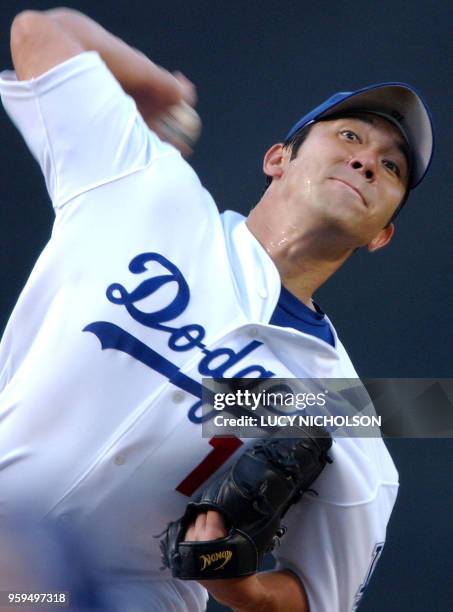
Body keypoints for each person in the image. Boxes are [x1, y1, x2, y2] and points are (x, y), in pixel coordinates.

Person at [0, 8, 433, 612]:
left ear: (380, 233)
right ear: (278, 158)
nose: (367, 161)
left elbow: (318, 598)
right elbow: (38, 31)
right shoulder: (147, 188)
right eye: (351, 136)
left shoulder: (338, 401)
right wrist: (159, 87)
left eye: (392, 167)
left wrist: (247, 590)